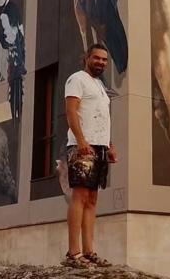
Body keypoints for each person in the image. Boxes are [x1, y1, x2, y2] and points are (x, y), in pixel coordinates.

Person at [63, 43, 117, 268]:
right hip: (81, 146)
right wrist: (82, 141)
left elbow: (102, 118)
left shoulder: (101, 86)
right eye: (97, 58)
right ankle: (73, 253)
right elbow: (71, 111)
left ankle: (89, 251)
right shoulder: (77, 79)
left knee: (93, 200)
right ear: (87, 58)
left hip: (100, 147)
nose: (101, 63)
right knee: (80, 197)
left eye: (104, 60)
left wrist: (110, 145)